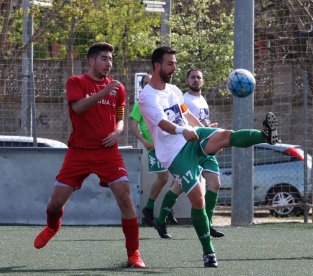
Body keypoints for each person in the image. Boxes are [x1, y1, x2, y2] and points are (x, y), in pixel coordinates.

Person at [139, 46, 279, 268]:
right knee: (197, 199)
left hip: (192, 138)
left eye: (175, 63)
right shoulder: (146, 96)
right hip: (174, 154)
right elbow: (163, 124)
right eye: (170, 64)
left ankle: (266, 135)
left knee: (225, 135)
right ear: (157, 66)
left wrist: (203, 131)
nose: (174, 68)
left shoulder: (174, 90)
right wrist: (182, 130)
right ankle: (208, 252)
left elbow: (186, 114)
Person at [33, 42, 145, 268]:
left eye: (111, 59)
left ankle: (133, 253)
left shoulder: (118, 88)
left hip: (108, 153)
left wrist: (118, 131)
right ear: (91, 61)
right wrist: (102, 92)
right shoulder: (76, 82)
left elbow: (120, 116)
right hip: (79, 153)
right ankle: (53, 226)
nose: (109, 63)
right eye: (104, 58)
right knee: (55, 204)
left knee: (125, 197)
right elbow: (78, 108)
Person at [152, 68, 224, 239]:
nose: (196, 80)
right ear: (186, 81)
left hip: (202, 144)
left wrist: (211, 134)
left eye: (199, 77)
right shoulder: (183, 98)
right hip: (188, 147)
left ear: (203, 81)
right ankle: (160, 220)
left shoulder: (202, 100)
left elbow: (200, 122)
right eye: (192, 77)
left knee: (215, 183)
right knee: (178, 187)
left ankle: (208, 223)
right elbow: (182, 119)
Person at [129, 73, 178, 226]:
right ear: (142, 87)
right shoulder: (140, 103)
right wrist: (144, 141)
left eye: (151, 82)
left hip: (169, 144)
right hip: (154, 146)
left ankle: (167, 207)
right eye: (145, 83)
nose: (148, 85)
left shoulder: (163, 98)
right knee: (163, 178)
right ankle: (149, 209)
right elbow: (132, 125)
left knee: (179, 176)